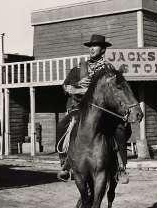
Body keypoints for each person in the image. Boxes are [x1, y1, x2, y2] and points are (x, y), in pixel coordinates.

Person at [56, 34, 131, 183]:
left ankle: (121, 166)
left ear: (103, 50)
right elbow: (65, 86)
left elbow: (115, 90)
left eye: (95, 46)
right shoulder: (79, 68)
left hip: (102, 110)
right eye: (90, 46)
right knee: (62, 125)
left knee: (120, 130)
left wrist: (88, 89)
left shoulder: (109, 69)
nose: (92, 49)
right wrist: (75, 87)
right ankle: (65, 163)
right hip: (79, 108)